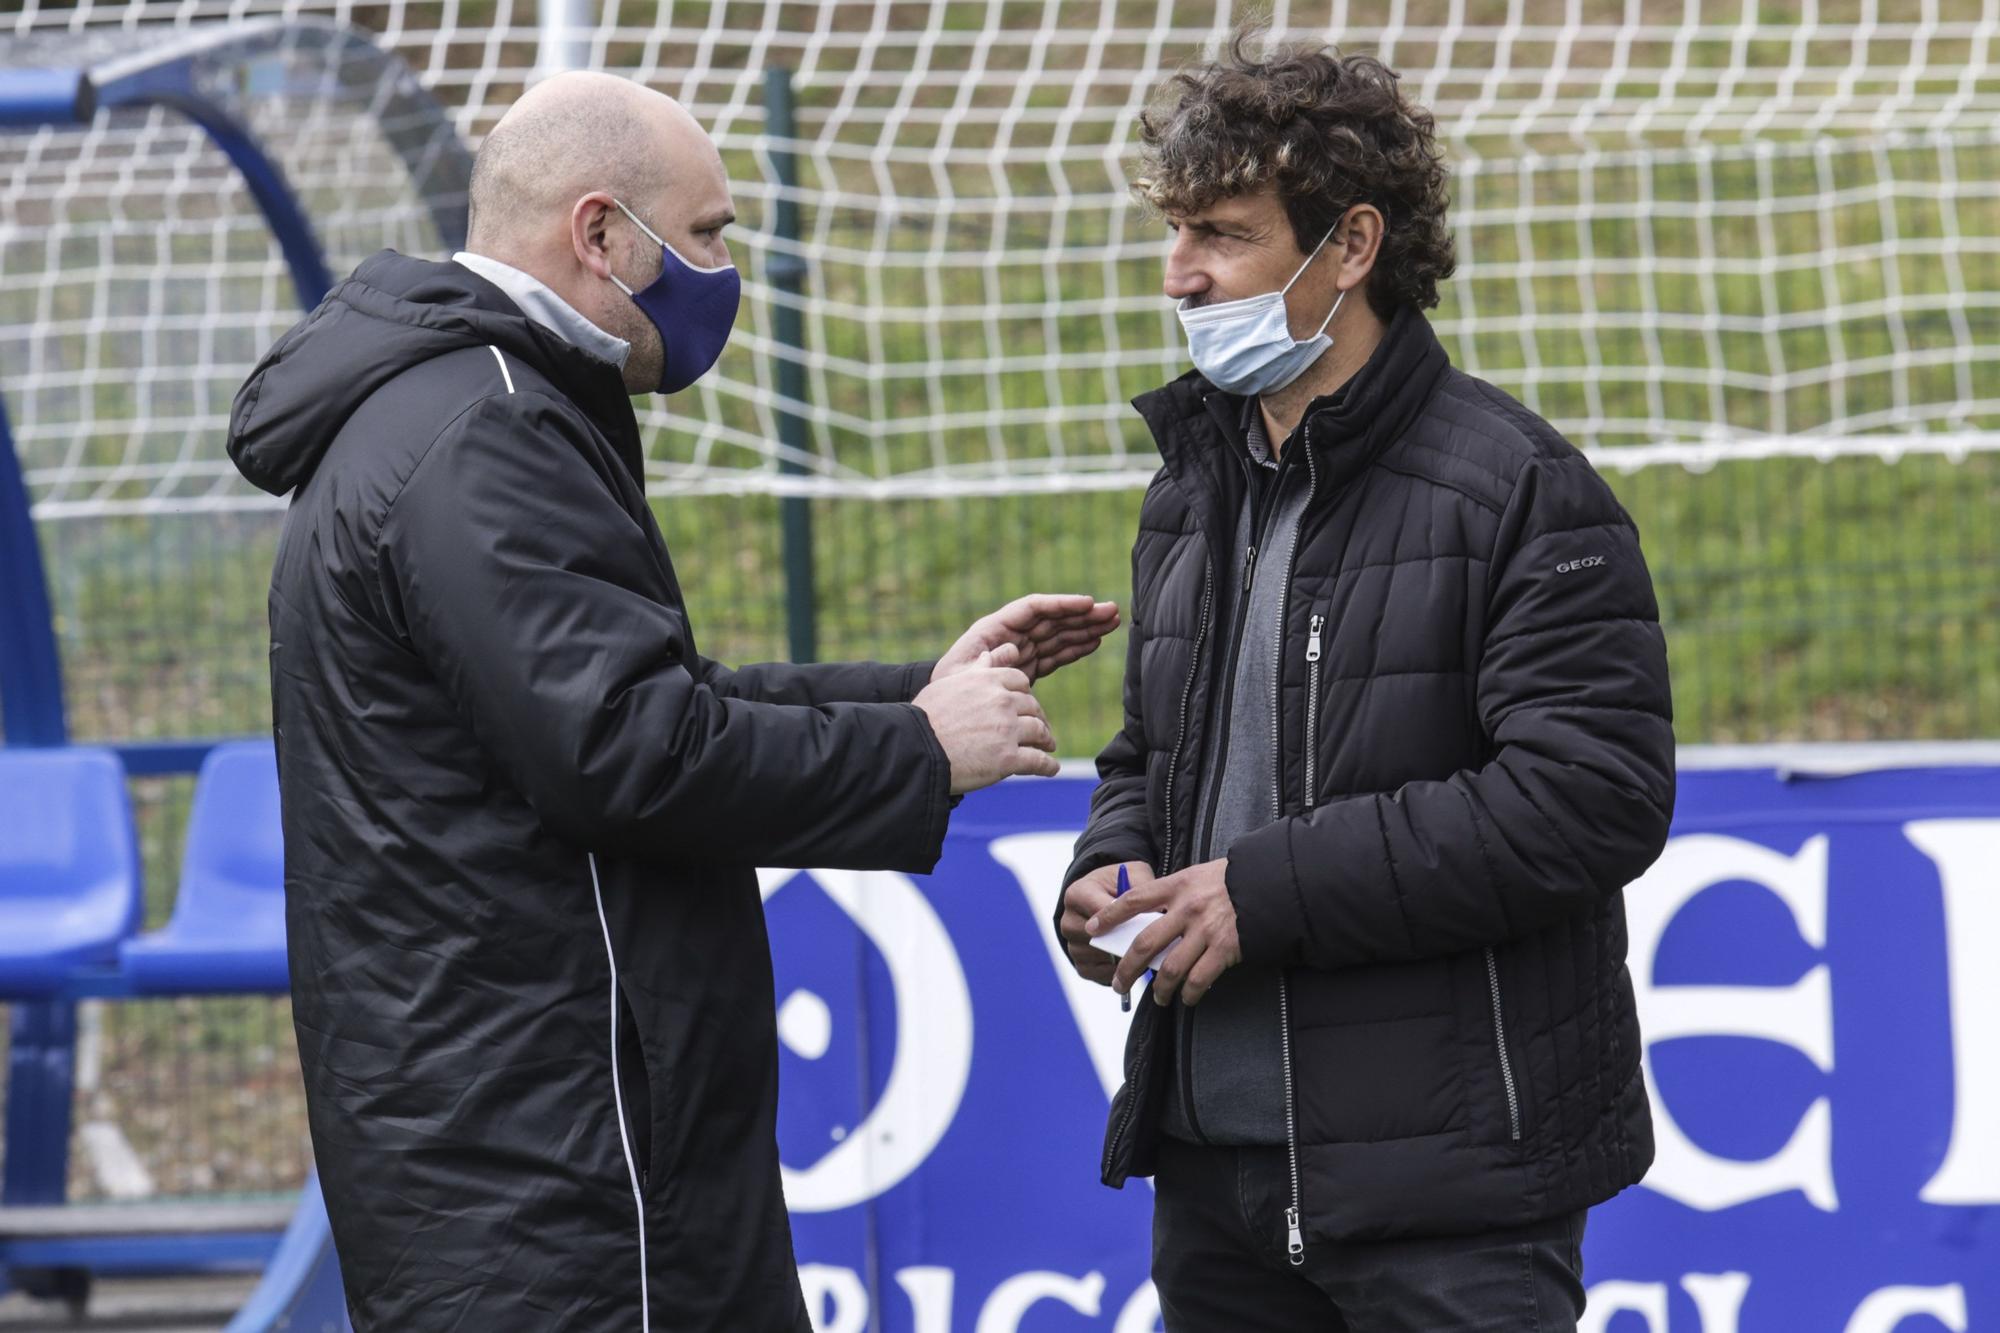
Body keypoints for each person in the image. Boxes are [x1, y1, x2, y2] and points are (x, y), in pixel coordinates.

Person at [227, 71, 1117, 1331]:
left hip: (532, 1146)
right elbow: (628, 754)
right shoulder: (482, 430)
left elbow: (637, 702)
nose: (721, 274)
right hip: (557, 1167)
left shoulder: (469, 406)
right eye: (705, 236)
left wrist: (915, 695)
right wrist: (920, 753)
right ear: (599, 234)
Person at [1062, 35, 1674, 1332]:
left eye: (1221, 234)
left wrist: (1265, 890)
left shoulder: (1523, 489)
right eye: (1176, 232)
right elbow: (1147, 755)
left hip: (1448, 1204)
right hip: (1215, 1177)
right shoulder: (1189, 491)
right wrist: (1112, 870)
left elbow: (1592, 800)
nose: (1180, 275)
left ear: (1350, 246)